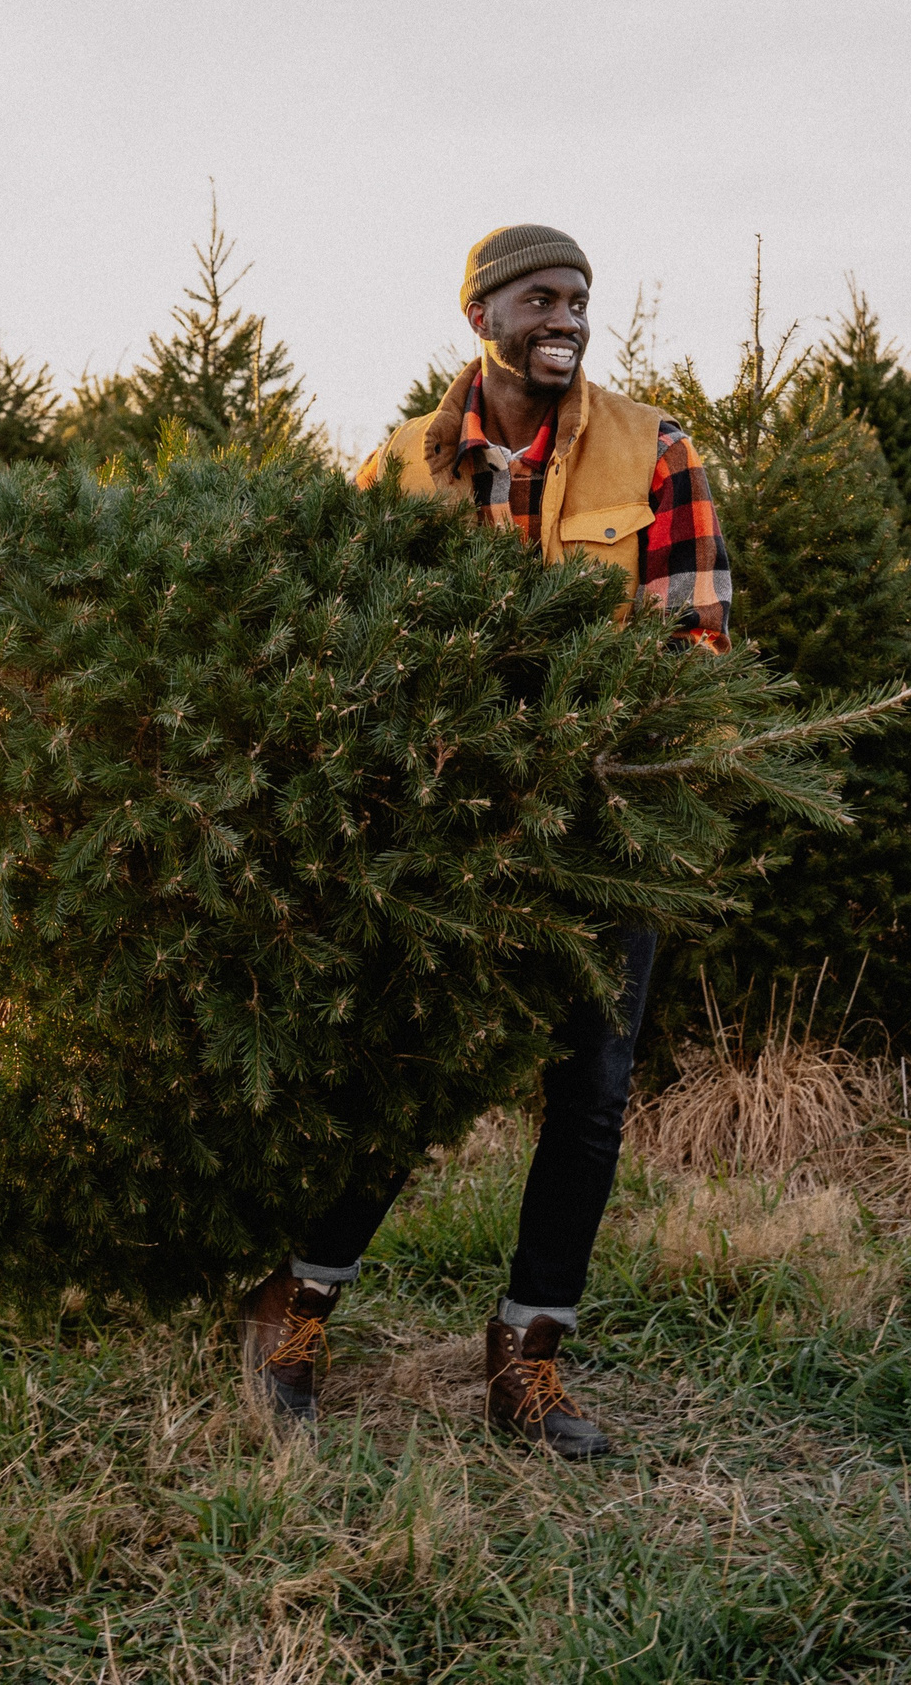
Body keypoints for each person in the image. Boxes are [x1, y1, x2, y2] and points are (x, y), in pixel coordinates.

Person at [238, 224, 732, 1459]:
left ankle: (528, 1360)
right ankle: (294, 1311)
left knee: (588, 1102)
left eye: (578, 296)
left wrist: (588, 758)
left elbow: (696, 652)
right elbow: (329, 642)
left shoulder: (656, 450)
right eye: (536, 296)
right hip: (440, 850)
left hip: (605, 837)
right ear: (480, 317)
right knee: (402, 1077)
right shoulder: (402, 465)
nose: (563, 314)